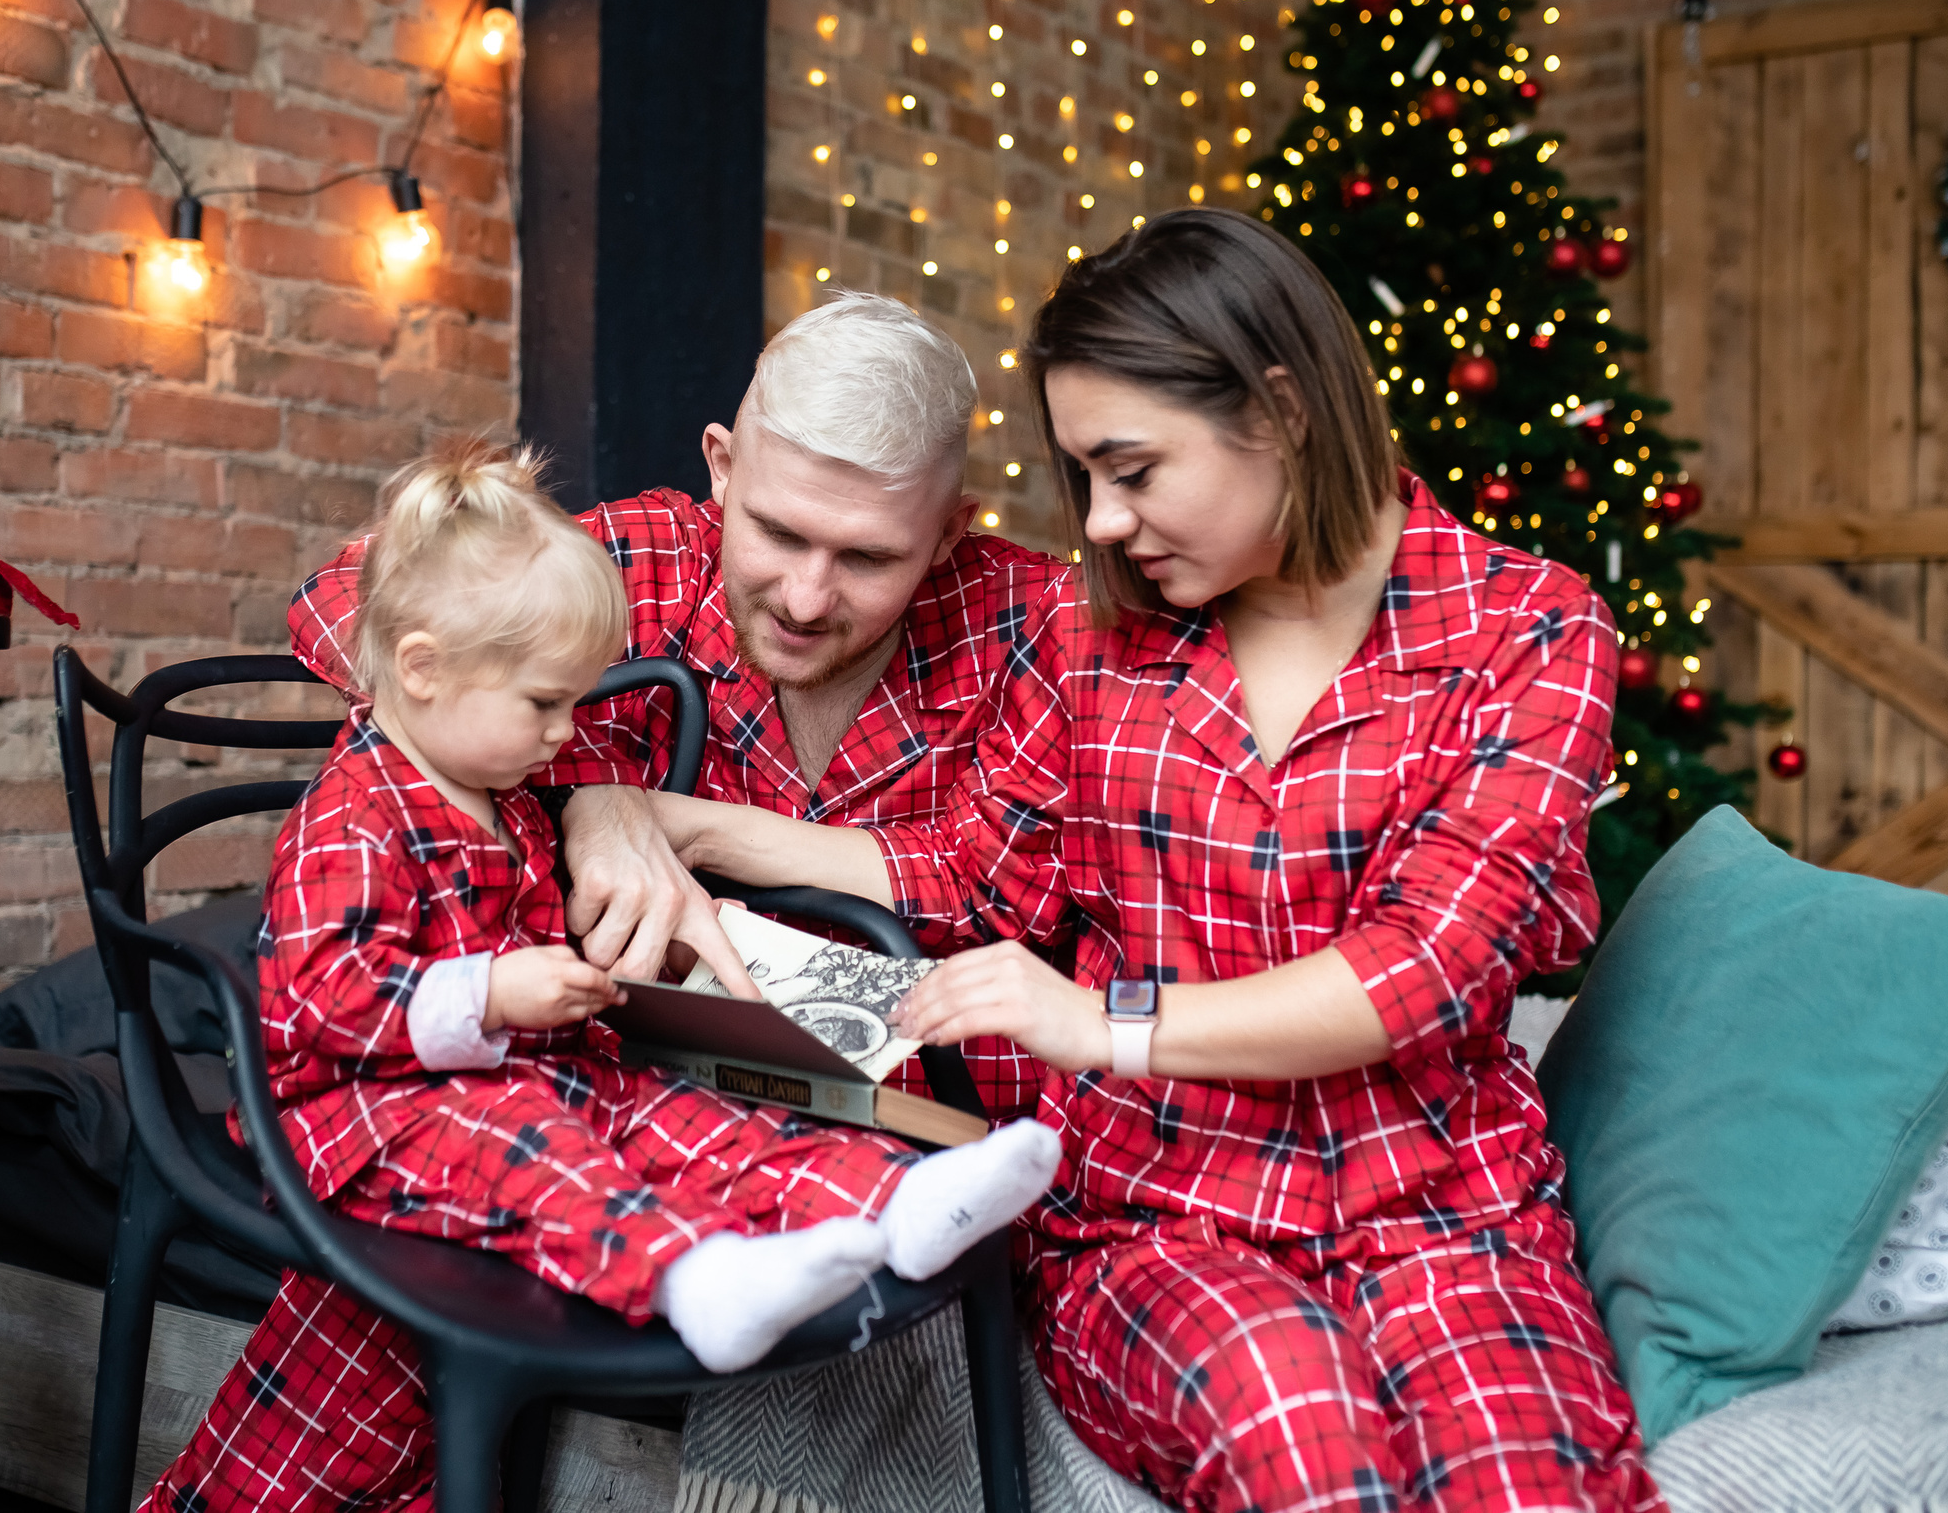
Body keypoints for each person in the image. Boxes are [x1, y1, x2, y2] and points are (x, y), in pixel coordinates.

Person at [655, 212, 1664, 1513]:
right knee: (1308, 1452)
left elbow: (1427, 970)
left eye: (1130, 466)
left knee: (1528, 1486)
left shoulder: (1525, 626)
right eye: (1085, 476)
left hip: (1445, 1217)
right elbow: (971, 870)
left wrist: (1100, 1019)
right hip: (1157, 1219)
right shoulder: (1099, 638)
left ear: (1282, 409)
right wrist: (666, 822)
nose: (1108, 520)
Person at [145, 440, 1060, 1513]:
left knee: (695, 1123)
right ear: (426, 669)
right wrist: (491, 995)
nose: (570, 735)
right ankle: (687, 1275)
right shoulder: (354, 814)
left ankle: (898, 1200)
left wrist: (626, 940)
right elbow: (311, 1001)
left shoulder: (502, 789)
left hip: (533, 1064)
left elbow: (982, 874)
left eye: (864, 553)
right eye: (543, 705)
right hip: (370, 1105)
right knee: (543, 1157)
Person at [285, 292, 1065, 1004]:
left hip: (942, 1094)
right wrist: (570, 795)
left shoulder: (1033, 618)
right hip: (646, 1076)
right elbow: (341, 597)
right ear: (722, 469)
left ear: (946, 535)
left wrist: (662, 817)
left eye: (868, 559)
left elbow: (1000, 885)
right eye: (778, 533)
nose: (804, 598)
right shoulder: (659, 553)